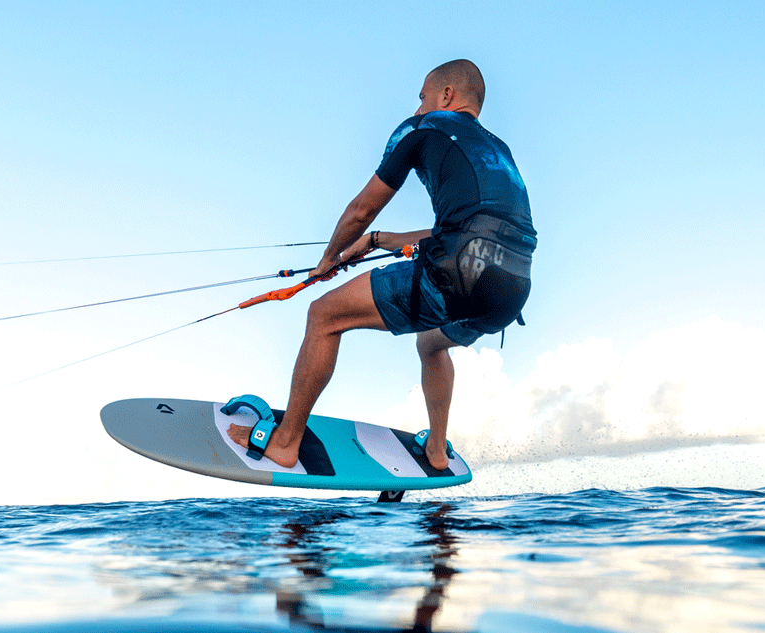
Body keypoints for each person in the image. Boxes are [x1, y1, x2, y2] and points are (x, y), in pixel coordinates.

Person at [225, 59, 536, 471]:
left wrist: (328, 258)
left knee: (323, 315)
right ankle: (437, 451)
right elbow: (473, 230)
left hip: (455, 273)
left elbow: (361, 208)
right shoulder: (499, 151)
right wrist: (377, 242)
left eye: (423, 96)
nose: (419, 105)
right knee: (431, 344)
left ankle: (285, 443)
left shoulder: (423, 127)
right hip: (512, 289)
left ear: (446, 96)